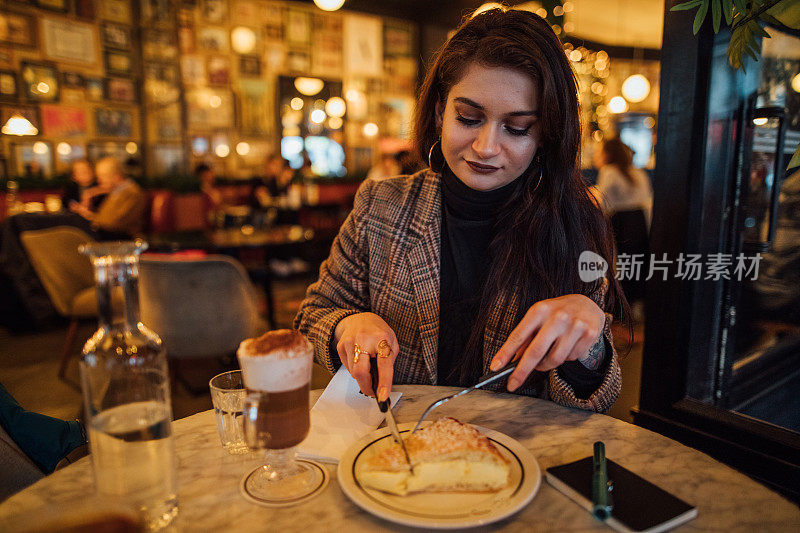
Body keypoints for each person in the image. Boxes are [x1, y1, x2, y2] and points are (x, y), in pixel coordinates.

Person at [295, 8, 626, 413]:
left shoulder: (573, 222)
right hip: (396, 449)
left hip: (516, 456)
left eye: (517, 127)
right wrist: (346, 326)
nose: (487, 147)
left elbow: (601, 396)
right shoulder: (380, 206)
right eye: (469, 118)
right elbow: (314, 313)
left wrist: (588, 346)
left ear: (546, 133)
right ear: (439, 112)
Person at [593, 137, 653, 312]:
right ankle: (637, 306)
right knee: (638, 263)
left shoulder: (609, 172)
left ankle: (623, 307)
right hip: (639, 221)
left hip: (621, 222)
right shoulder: (638, 172)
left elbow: (603, 202)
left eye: (600, 151)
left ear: (608, 154)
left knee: (619, 264)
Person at [69, 157, 148, 239]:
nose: (99, 181)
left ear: (116, 176)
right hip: (109, 237)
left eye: (103, 176)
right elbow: (104, 219)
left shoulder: (133, 193)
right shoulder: (116, 192)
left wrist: (90, 216)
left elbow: (114, 224)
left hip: (123, 241)